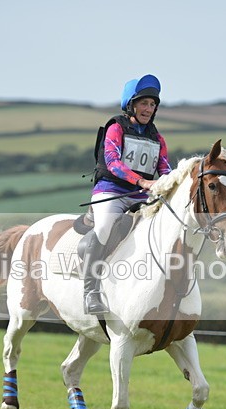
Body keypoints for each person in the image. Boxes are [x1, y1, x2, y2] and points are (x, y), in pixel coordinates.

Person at [83, 74, 173, 315]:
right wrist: (142, 181)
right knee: (104, 228)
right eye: (144, 103)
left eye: (152, 104)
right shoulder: (116, 128)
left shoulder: (157, 138)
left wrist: (175, 183)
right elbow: (112, 162)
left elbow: (165, 169)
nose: (148, 108)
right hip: (111, 191)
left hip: (141, 196)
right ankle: (90, 292)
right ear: (131, 104)